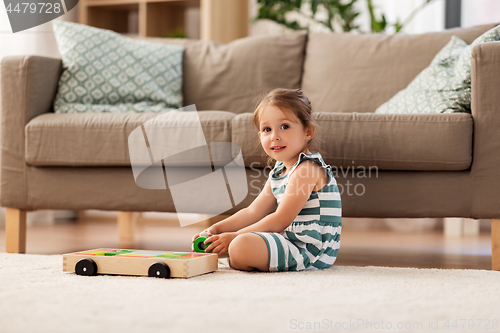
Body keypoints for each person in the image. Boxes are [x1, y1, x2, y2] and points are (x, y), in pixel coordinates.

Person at [191, 88, 342, 272]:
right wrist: (217, 229)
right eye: (267, 129)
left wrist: (235, 236)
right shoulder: (279, 172)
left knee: (239, 245)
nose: (274, 136)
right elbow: (252, 211)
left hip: (310, 250)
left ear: (308, 131)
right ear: (260, 135)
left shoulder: (307, 169)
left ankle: (244, 253)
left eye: (284, 126)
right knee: (238, 246)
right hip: (289, 241)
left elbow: (280, 219)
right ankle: (243, 253)